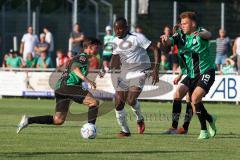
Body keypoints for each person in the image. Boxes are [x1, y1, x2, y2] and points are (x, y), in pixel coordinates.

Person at [16, 37, 100, 134]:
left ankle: (28, 120)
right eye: (96, 47)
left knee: (58, 120)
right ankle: (91, 129)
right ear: (89, 47)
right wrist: (88, 80)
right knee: (93, 102)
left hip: (60, 88)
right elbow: (74, 68)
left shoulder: (80, 57)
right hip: (69, 86)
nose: (97, 50)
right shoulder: (83, 57)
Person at [100, 17, 159, 137]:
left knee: (131, 100)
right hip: (125, 73)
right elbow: (115, 58)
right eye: (115, 28)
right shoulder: (115, 40)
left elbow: (155, 49)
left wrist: (156, 69)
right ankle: (125, 131)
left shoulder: (137, 37)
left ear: (126, 28)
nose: (117, 31)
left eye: (120, 28)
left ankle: (140, 118)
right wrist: (106, 68)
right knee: (118, 102)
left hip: (141, 72)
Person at [162, 12, 216, 139]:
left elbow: (208, 35)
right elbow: (170, 42)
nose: (182, 25)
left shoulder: (200, 32)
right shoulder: (180, 35)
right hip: (191, 74)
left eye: (185, 23)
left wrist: (201, 34)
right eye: (181, 23)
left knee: (194, 99)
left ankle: (203, 130)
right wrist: (165, 40)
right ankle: (175, 127)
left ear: (193, 24)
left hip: (206, 71)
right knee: (178, 95)